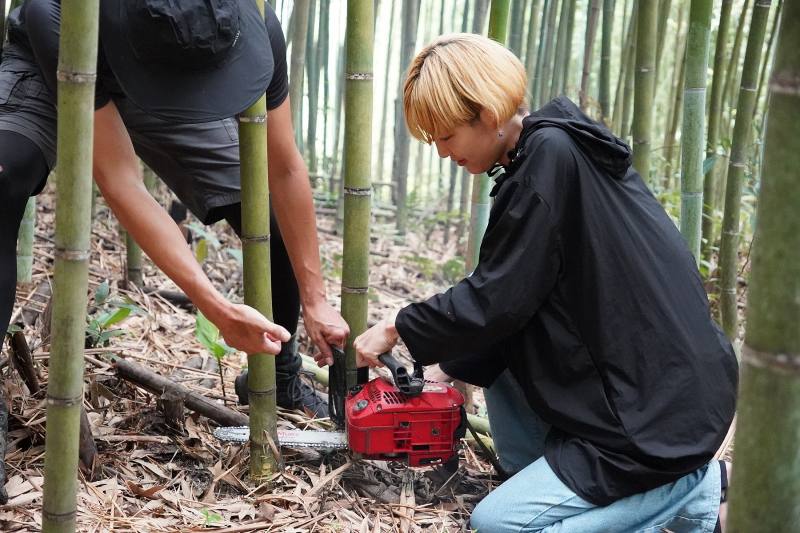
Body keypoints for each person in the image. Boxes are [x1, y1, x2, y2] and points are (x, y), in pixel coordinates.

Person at [350, 34, 737, 532]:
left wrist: (397, 327)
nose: (443, 152)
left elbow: (497, 299)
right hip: (655, 388)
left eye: (446, 136)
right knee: (502, 361)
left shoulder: (547, 162)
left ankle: (692, 483)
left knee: (498, 525)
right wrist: (445, 369)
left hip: (651, 415)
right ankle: (688, 501)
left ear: (485, 114)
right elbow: (518, 300)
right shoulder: (550, 152)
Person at [0, 0, 347, 497]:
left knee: (264, 215)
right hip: (59, 60)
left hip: (179, 71)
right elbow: (119, 178)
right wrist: (216, 306)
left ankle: (279, 372)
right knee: (3, 177)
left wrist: (315, 299)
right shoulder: (58, 11)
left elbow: (285, 166)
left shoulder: (254, 20)